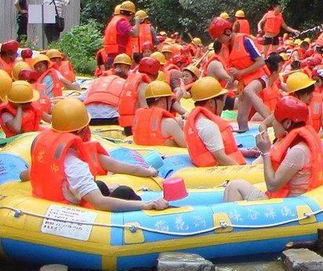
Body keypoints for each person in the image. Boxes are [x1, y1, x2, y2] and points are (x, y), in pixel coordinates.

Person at [29, 99, 167, 211]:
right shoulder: (76, 165)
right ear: (84, 129)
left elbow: (28, 173)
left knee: (99, 185)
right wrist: (146, 205)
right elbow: (100, 203)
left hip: (52, 201)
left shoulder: (48, 151)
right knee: (125, 192)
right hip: (78, 211)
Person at [223, 97, 323, 202]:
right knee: (235, 185)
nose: (272, 124)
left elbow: (272, 186)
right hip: (285, 199)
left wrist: (265, 153)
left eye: (275, 120)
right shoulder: (292, 141)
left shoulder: (299, 150)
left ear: (287, 124)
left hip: (289, 205)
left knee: (234, 186)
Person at [183, 76, 250, 167]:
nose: (223, 104)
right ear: (211, 102)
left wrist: (244, 153)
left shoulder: (198, 119)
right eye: (222, 100)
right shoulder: (209, 125)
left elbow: (213, 148)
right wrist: (244, 170)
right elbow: (220, 157)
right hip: (219, 171)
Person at [133, 81, 186, 148]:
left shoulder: (137, 118)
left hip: (140, 155)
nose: (171, 103)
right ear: (163, 100)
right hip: (165, 156)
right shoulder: (169, 123)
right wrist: (183, 127)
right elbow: (188, 146)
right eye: (170, 100)